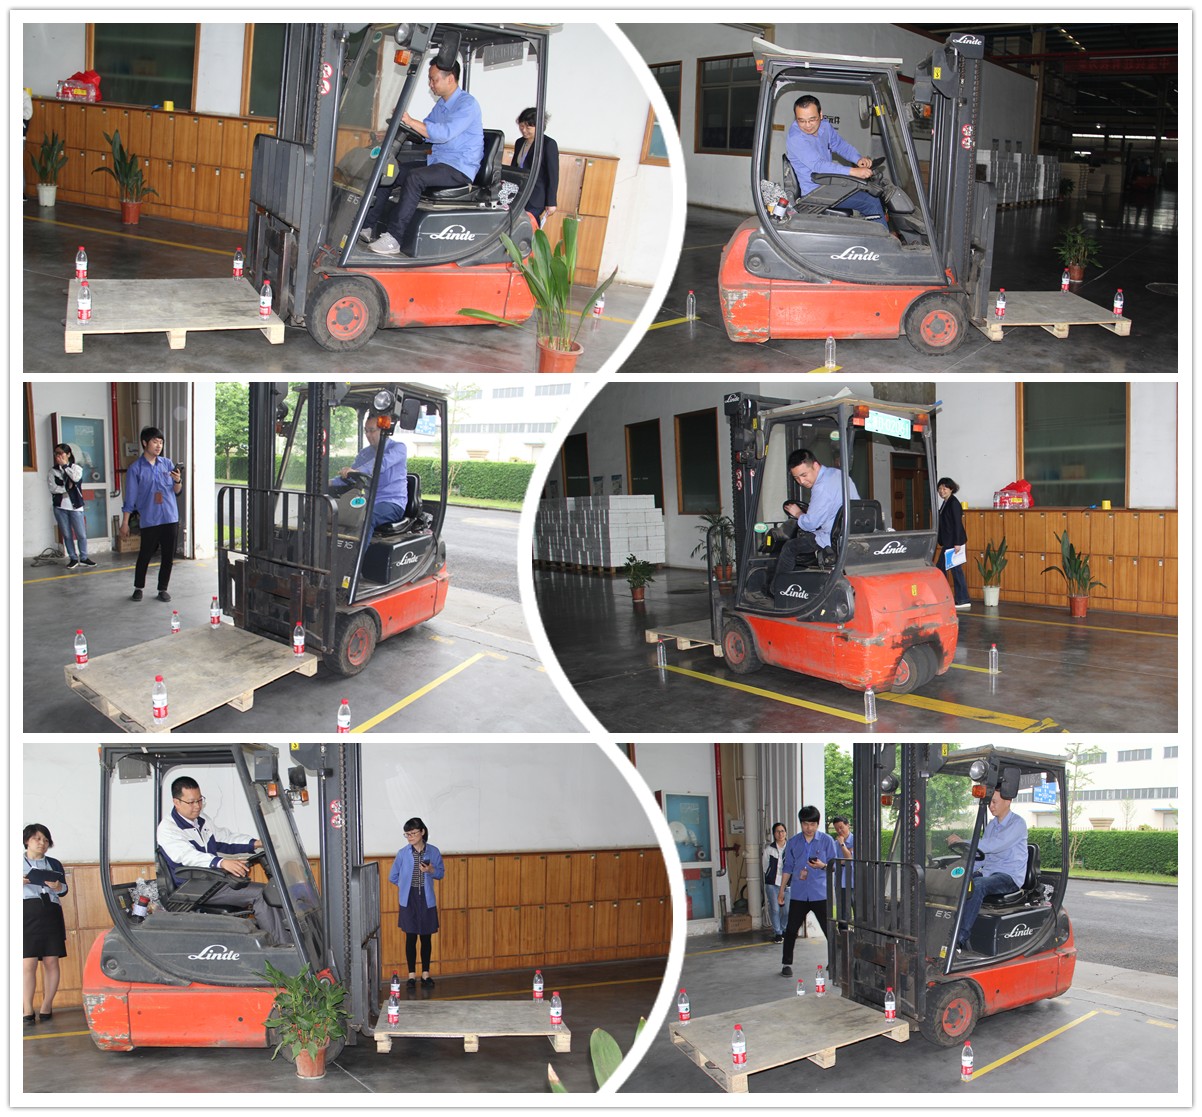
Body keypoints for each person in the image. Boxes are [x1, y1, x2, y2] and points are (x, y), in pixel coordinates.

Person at [365, 59, 484, 255]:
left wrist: (411, 121)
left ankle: (394, 238)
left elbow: (443, 133)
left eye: (433, 80)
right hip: (438, 163)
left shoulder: (467, 104)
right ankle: (367, 226)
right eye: (430, 80)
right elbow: (425, 131)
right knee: (389, 171)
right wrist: (398, 128)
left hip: (459, 168)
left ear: (450, 79)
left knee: (415, 177)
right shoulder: (442, 105)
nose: (430, 84)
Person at [157, 776, 287, 944]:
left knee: (272, 891)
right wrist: (221, 862)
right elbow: (186, 855)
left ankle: (287, 940)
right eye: (191, 802)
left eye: (199, 800)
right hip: (193, 887)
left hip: (212, 882)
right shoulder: (169, 828)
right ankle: (281, 945)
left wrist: (256, 843)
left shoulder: (201, 821)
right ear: (176, 802)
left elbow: (225, 839)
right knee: (261, 895)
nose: (197, 806)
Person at [948, 788, 1029, 953]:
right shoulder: (992, 825)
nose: (991, 806)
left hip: (1009, 877)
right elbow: (983, 855)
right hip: (990, 872)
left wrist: (963, 842)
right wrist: (964, 872)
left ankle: (959, 940)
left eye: (994, 802)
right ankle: (946, 930)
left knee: (978, 885)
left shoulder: (1017, 824)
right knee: (958, 881)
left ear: (1008, 801)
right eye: (989, 802)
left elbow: (993, 845)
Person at [786, 95, 886, 221]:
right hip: (815, 192)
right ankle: (882, 234)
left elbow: (840, 145)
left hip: (829, 185)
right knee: (872, 203)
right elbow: (819, 166)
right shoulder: (796, 138)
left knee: (867, 192)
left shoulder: (825, 126)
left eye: (812, 119)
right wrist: (854, 171)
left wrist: (858, 159)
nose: (807, 125)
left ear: (820, 115)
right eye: (801, 121)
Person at [774, 448, 861, 578]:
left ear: (815, 465)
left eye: (804, 475)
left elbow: (811, 524)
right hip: (849, 535)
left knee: (789, 547)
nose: (801, 481)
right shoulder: (840, 475)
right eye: (796, 478)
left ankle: (779, 587)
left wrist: (798, 513)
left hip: (830, 540)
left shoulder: (821, 486)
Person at [120, 426, 181, 603]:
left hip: (170, 517)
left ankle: (163, 589)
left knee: (168, 556)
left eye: (161, 442)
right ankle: (138, 588)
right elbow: (130, 498)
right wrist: (125, 523)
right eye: (155, 441)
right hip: (150, 519)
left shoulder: (167, 464)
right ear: (145, 443)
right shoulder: (135, 468)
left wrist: (178, 480)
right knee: (145, 555)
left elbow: (177, 491)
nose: (159, 445)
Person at [778, 805, 839, 976]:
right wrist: (781, 891)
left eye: (812, 824)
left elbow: (834, 866)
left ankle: (835, 962)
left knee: (829, 930)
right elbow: (787, 867)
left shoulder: (827, 840)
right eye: (805, 824)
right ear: (801, 823)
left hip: (820, 893)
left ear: (818, 824)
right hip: (799, 893)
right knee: (791, 930)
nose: (809, 828)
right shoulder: (793, 842)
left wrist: (822, 866)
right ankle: (786, 963)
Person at [388, 817, 445, 989]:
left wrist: (431, 870)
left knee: (426, 937)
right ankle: (411, 975)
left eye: (413, 833)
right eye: (407, 834)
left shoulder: (433, 851)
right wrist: (405, 886)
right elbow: (393, 876)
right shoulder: (402, 853)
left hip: (426, 898)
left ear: (422, 832)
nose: (410, 837)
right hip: (409, 898)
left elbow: (440, 873)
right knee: (411, 937)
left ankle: (425, 974)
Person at [22, 823, 68, 1026]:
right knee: (28, 964)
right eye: (37, 838)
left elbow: (64, 890)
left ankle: (47, 1005)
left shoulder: (54, 863)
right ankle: (27, 1009)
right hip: (25, 912)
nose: (42, 843)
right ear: (27, 841)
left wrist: (58, 886)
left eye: (46, 840)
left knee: (51, 961)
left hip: (51, 912)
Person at [330, 419, 408, 532]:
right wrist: (329, 482)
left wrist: (357, 471)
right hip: (368, 501)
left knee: (366, 518)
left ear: (384, 431)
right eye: (366, 431)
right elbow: (352, 476)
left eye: (372, 430)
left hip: (391, 502)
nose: (367, 435)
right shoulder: (364, 453)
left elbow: (380, 464)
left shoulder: (398, 448)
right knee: (337, 514)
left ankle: (359, 544)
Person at [48, 442, 95, 569]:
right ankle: (73, 558)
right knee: (67, 535)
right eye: (56, 454)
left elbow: (75, 478)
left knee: (81, 534)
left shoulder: (76, 468)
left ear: (68, 454)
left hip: (75, 507)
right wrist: (67, 489)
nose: (58, 456)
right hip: (60, 507)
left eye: (61, 453)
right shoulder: (53, 471)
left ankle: (84, 558)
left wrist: (64, 466)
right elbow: (53, 488)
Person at [511, 107, 559, 226]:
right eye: (522, 126)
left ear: (539, 126)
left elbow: (553, 175)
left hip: (536, 195)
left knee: (527, 223)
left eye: (528, 127)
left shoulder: (548, 144)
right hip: (519, 193)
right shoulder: (520, 142)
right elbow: (514, 167)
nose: (524, 130)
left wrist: (551, 202)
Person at [937, 476, 971, 610]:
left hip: (953, 543)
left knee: (954, 570)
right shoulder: (946, 502)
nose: (942, 491)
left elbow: (957, 524)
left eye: (945, 488)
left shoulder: (953, 503)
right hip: (948, 542)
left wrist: (957, 543)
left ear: (951, 489)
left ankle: (963, 599)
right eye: (940, 489)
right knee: (942, 569)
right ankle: (948, 597)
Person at [762, 822, 790, 943]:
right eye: (777, 831)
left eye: (782, 831)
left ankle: (783, 928)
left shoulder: (791, 848)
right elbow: (765, 866)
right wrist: (770, 875)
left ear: (786, 833)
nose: (780, 834)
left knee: (787, 910)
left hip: (787, 884)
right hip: (772, 884)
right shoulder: (769, 849)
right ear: (774, 834)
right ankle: (778, 932)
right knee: (775, 909)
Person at [830, 815, 854, 918]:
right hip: (840, 881)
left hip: (854, 880)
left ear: (848, 825)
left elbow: (848, 859)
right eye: (836, 829)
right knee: (842, 912)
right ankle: (843, 928)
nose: (839, 831)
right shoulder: (835, 843)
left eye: (841, 827)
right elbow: (833, 862)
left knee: (859, 911)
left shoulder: (856, 840)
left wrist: (842, 844)